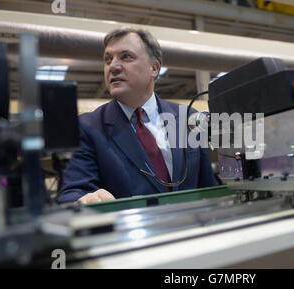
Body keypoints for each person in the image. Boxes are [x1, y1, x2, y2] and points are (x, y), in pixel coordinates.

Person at [57, 27, 215, 204]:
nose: (113, 67)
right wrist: (84, 200)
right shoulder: (88, 127)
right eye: (108, 59)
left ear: (153, 68)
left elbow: (208, 187)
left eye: (126, 57)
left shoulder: (189, 118)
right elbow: (72, 194)